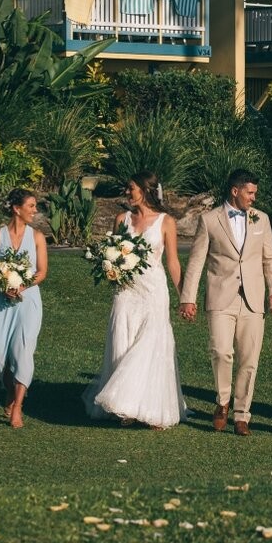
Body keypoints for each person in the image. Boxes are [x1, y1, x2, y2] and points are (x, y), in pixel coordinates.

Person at [180, 169, 272, 437]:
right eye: (250, 192)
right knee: (221, 351)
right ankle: (223, 401)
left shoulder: (262, 219)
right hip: (220, 296)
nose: (253, 197)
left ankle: (241, 414)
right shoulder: (209, 220)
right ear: (235, 191)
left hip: (253, 299)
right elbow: (196, 262)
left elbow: (270, 258)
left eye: (255, 193)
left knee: (249, 359)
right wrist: (188, 298)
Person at [83, 172, 187, 429]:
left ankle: (153, 408)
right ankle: (124, 406)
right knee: (123, 339)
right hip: (126, 291)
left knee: (151, 344)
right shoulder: (122, 219)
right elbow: (114, 250)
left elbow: (173, 262)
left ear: (145, 190)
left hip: (153, 291)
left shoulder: (166, 222)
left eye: (131, 188)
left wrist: (185, 297)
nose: (127, 193)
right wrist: (111, 268)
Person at [0, 188, 47, 428]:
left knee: (23, 350)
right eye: (31, 206)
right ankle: (10, 389)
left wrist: (22, 285)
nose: (35, 210)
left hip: (28, 301)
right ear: (16, 209)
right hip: (0, 302)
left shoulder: (37, 237)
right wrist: (3, 285)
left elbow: (42, 271)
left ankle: (18, 406)